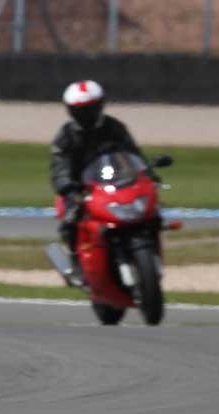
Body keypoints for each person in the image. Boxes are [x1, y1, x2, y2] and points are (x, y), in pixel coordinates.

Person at [50, 80, 154, 283]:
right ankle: (75, 263)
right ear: (71, 111)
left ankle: (149, 247)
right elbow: (59, 165)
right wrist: (68, 187)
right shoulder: (66, 136)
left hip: (115, 182)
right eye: (81, 110)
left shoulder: (114, 128)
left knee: (150, 208)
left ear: (100, 106)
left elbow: (133, 153)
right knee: (71, 218)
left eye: (91, 108)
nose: (86, 114)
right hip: (81, 188)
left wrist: (146, 172)